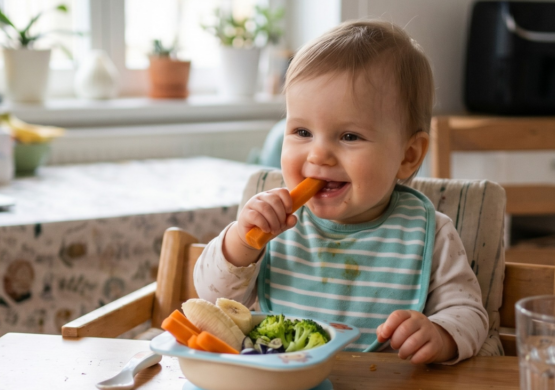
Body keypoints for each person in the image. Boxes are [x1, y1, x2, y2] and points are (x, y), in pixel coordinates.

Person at [194, 20, 489, 365]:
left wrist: (440, 334)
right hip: (281, 389)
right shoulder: (272, 222)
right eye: (302, 131)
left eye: (349, 136)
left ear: (408, 156)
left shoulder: (430, 233)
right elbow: (211, 296)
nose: (318, 155)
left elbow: (469, 312)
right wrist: (240, 243)